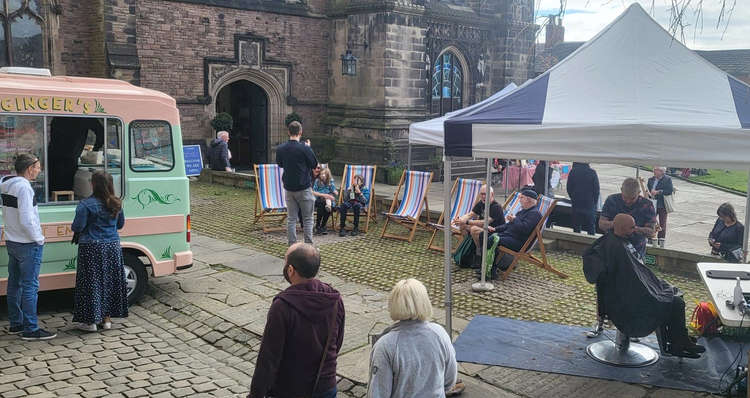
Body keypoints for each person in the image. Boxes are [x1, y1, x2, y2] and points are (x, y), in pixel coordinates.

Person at [596, 214, 704, 358]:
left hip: (630, 292)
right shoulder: (616, 247)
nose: (635, 230)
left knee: (673, 295)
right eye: (632, 227)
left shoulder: (617, 242)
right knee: (675, 302)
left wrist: (654, 286)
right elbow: (629, 280)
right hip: (625, 301)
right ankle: (677, 343)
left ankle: (678, 341)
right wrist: (653, 291)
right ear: (622, 228)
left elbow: (635, 275)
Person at [248, 243, 344, 398]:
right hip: (325, 384)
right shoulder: (334, 299)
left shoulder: (282, 306)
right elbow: (337, 341)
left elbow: (269, 357)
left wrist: (256, 394)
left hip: (291, 388)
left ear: (291, 270)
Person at [367, 278, 458, 398]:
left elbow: (377, 393)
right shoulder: (440, 333)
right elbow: (450, 380)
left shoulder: (385, 345)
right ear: (425, 302)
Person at [1, 154, 56, 340]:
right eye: (38, 167)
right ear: (29, 168)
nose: (39, 170)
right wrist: (38, 238)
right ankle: (31, 328)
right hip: (27, 243)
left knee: (14, 284)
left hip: (12, 240)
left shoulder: (6, 183)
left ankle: (16, 323)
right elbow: (27, 218)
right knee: (30, 286)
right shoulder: (24, 188)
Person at [71, 171, 128, 332]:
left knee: (91, 283)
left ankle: (91, 322)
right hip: (112, 246)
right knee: (109, 282)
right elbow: (120, 225)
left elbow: (78, 227)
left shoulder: (85, 204)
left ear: (93, 185)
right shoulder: (117, 203)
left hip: (91, 247)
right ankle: (107, 319)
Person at [276, 121, 318, 246]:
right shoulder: (304, 148)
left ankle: (292, 245)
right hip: (304, 187)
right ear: (300, 132)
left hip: (289, 188)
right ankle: (308, 246)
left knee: (291, 219)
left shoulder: (281, 148)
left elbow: (280, 164)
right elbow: (314, 164)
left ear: (288, 132)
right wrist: (309, 148)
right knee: (308, 219)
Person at [598, 177, 656, 259]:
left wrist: (634, 228)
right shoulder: (612, 200)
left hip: (636, 250)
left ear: (639, 193)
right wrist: (617, 224)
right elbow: (601, 224)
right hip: (612, 247)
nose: (628, 201)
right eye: (625, 197)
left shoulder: (646, 205)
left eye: (632, 198)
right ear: (621, 190)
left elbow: (651, 232)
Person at [454, 185, 505, 254]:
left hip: (494, 231)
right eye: (482, 194)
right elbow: (470, 214)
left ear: (492, 194)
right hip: (484, 229)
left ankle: (479, 252)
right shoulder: (481, 203)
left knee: (474, 229)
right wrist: (460, 220)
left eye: (485, 194)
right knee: (462, 225)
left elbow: (485, 222)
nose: (483, 196)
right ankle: (470, 245)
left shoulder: (496, 207)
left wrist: (468, 221)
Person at [566, 162, 600, 235]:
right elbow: (596, 190)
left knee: (576, 228)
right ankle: (591, 244)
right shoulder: (592, 172)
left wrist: (573, 198)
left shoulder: (573, 172)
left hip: (577, 204)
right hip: (589, 204)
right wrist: (594, 203)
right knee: (591, 228)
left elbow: (569, 188)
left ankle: (576, 244)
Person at [647, 167, 674, 248]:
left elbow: (669, 190)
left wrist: (658, 192)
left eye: (656, 170)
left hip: (662, 204)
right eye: (654, 169)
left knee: (662, 223)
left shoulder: (667, 179)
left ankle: (661, 240)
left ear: (662, 171)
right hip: (652, 203)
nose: (654, 171)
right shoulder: (651, 179)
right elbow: (649, 189)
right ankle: (650, 238)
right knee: (651, 221)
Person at [313, 167, 337, 235]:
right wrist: (321, 195)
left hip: (328, 199)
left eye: (324, 174)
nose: (323, 175)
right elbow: (314, 191)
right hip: (319, 198)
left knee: (329, 207)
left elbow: (333, 190)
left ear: (328, 175)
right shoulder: (317, 181)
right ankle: (318, 225)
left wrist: (335, 191)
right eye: (321, 174)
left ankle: (323, 225)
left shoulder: (330, 181)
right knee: (322, 204)